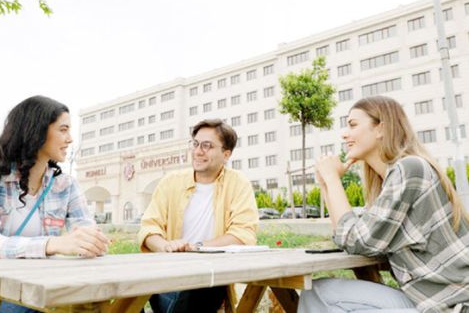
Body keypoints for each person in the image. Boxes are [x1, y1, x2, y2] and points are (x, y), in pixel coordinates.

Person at [300, 96, 469, 313]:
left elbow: (358, 240)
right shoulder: (389, 181)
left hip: (455, 306)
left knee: (322, 298)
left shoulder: (410, 168)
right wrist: (327, 184)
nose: (344, 134)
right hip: (426, 300)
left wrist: (333, 180)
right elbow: (346, 236)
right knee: (316, 292)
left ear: (381, 129)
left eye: (352, 125)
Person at [0, 96, 109, 313]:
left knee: (99, 303)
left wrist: (91, 243)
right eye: (63, 129)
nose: (70, 139)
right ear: (37, 130)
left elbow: (85, 234)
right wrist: (53, 244)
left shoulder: (65, 185)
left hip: (39, 287)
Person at [138, 118, 259, 313]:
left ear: (226, 154)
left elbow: (243, 234)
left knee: (198, 290)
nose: (198, 151)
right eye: (195, 144)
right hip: (166, 275)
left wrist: (196, 248)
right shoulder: (170, 182)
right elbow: (149, 228)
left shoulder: (238, 184)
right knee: (123, 291)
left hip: (211, 277)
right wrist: (166, 246)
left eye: (207, 146)